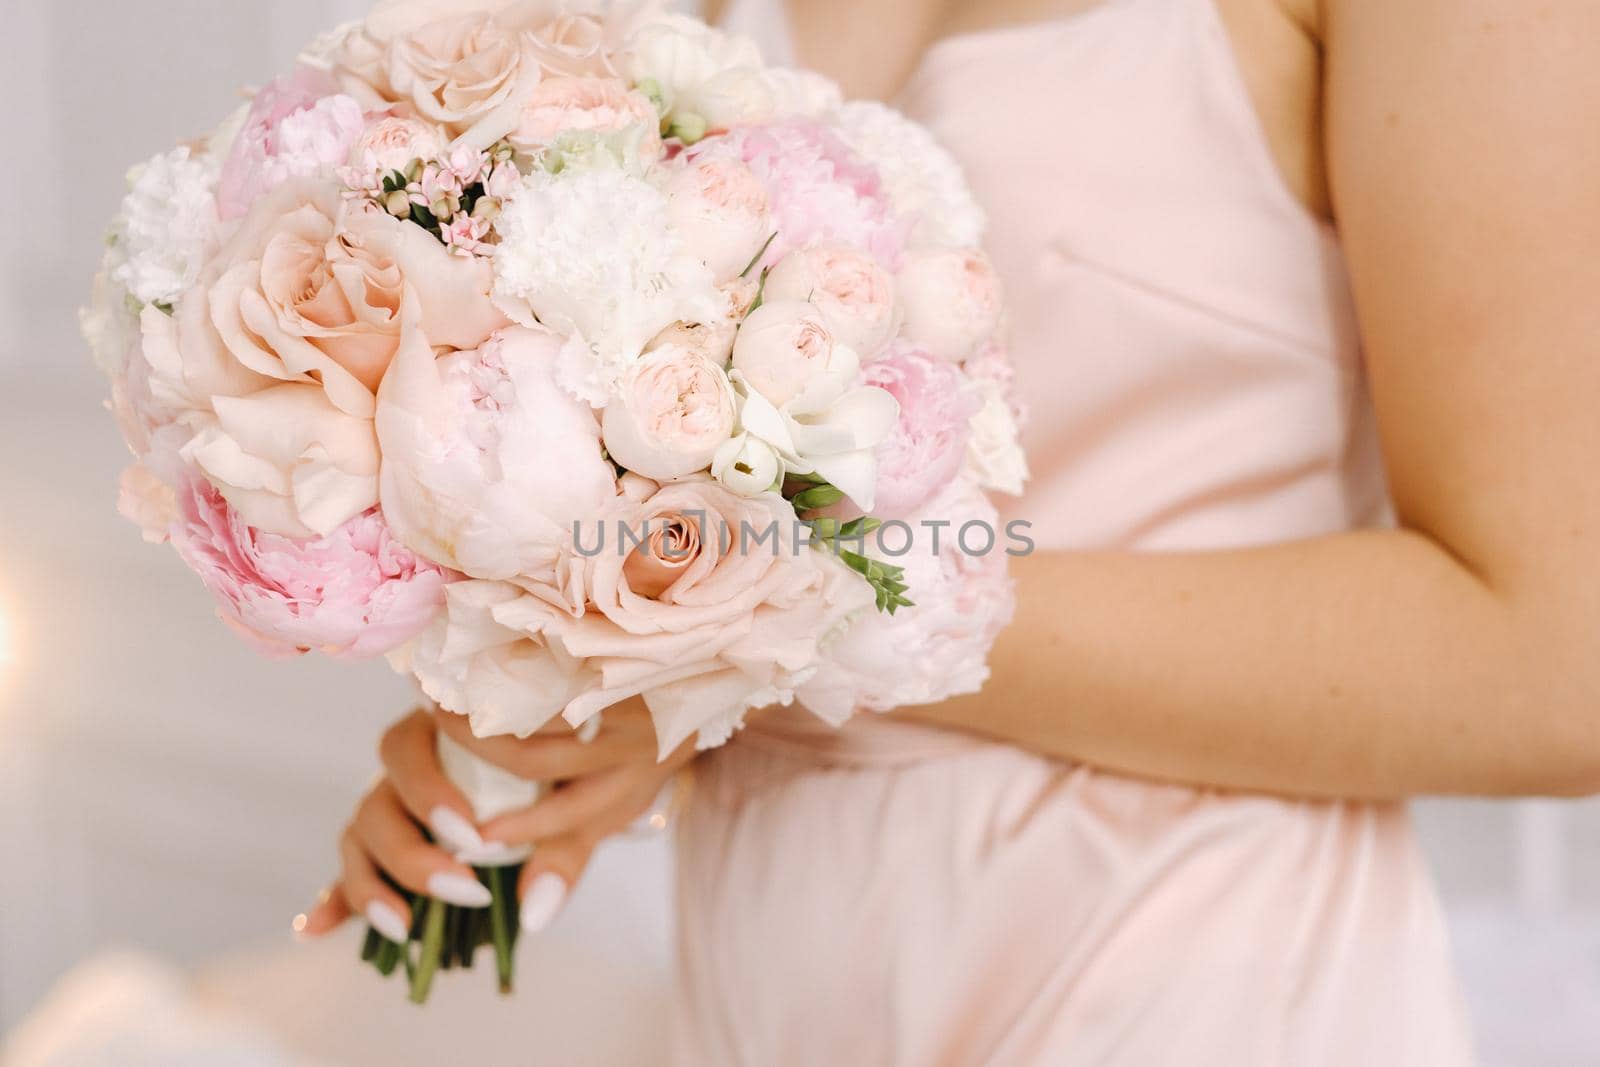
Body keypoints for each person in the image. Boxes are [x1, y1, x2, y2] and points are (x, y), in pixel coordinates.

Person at [302, 0, 1600, 1060]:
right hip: (772, 984)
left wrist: (763, 620)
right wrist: (608, 701)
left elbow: (1552, 666)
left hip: (1189, 979)